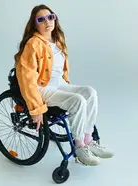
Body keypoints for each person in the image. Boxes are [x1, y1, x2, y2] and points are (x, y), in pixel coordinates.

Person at [14, 4, 114, 166]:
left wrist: (65, 83)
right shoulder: (33, 44)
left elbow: (60, 69)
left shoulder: (57, 40)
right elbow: (27, 78)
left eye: (50, 17)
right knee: (77, 101)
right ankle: (80, 147)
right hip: (41, 88)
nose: (47, 21)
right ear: (34, 24)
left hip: (58, 84)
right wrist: (35, 108)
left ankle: (88, 141)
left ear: (55, 18)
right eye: (41, 19)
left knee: (90, 92)